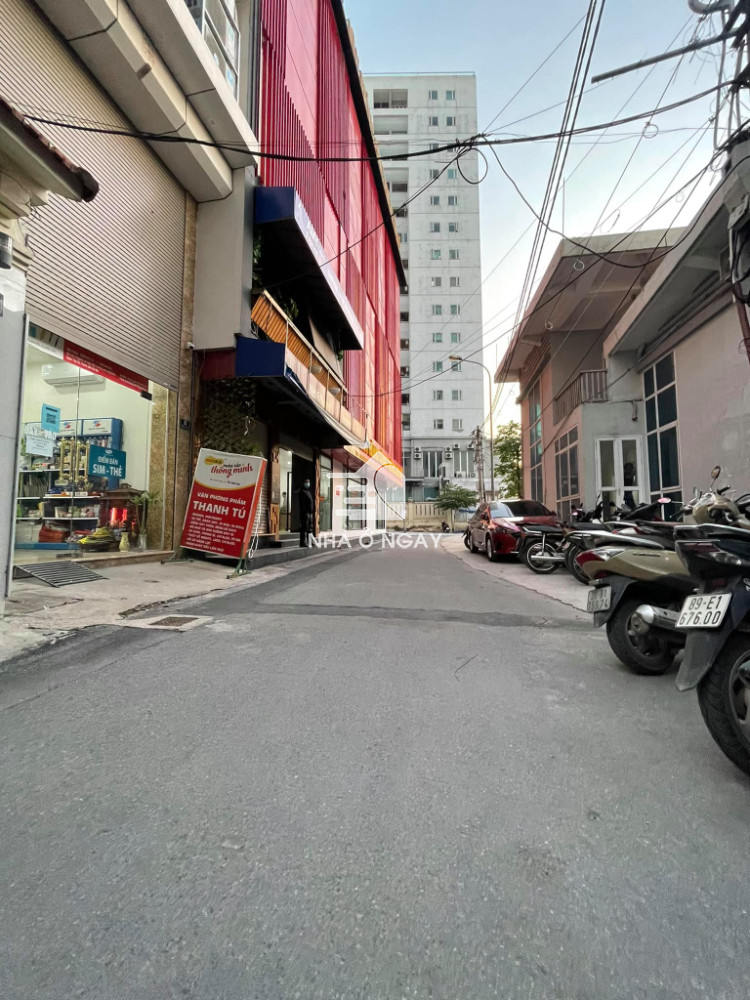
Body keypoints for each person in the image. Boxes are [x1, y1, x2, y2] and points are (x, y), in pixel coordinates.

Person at [298, 477, 315, 547]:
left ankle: (310, 541)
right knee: (304, 528)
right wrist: (305, 512)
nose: (308, 483)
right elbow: (302, 504)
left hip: (310, 513)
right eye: (306, 482)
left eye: (308, 482)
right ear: (304, 483)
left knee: (310, 528)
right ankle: (303, 542)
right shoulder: (302, 492)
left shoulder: (308, 492)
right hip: (305, 513)